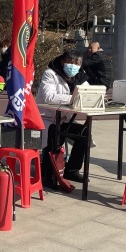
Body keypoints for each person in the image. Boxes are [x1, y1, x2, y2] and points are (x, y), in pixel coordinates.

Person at [35, 50, 90, 182]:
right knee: (55, 134)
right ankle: (47, 173)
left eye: (77, 63)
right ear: (62, 62)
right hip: (46, 118)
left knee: (84, 133)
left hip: (64, 119)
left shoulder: (80, 77)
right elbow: (49, 97)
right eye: (71, 62)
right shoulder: (50, 74)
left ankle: (72, 171)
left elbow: (87, 92)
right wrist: (73, 98)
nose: (73, 66)